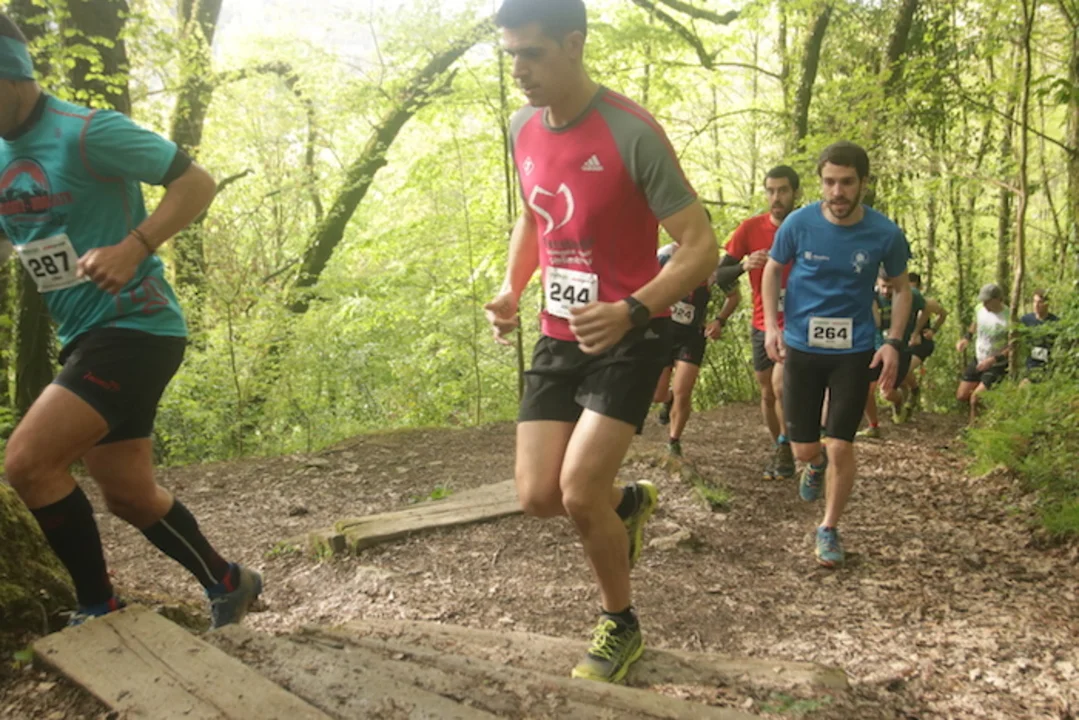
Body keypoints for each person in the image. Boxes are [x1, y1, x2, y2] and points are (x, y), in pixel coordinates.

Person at [0, 14, 261, 627]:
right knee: (128, 494)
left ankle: (101, 608)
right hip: (85, 335)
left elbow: (196, 182)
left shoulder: (86, 131)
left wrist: (133, 246)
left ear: (10, 76)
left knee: (28, 463)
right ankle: (229, 581)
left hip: (136, 327)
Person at [485, 0, 718, 683]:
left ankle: (621, 623)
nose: (519, 70)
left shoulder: (630, 132)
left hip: (631, 331)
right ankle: (629, 504)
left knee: (579, 490)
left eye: (532, 53)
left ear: (574, 44)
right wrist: (512, 287)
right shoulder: (521, 127)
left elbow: (700, 246)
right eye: (511, 56)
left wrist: (633, 309)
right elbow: (534, 216)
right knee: (537, 495)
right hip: (559, 332)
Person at [761, 141, 911, 568]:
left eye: (846, 182)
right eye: (829, 182)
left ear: (863, 182)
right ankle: (812, 465)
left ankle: (828, 528)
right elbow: (773, 269)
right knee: (805, 450)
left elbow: (901, 289)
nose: (837, 192)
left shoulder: (885, 233)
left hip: (854, 350)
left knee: (841, 445)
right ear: (820, 183)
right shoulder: (798, 223)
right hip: (802, 349)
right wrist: (772, 326)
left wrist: (893, 342)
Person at [720, 166, 799, 479]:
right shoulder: (750, 229)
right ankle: (781, 446)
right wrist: (743, 265)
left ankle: (787, 444)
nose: (776, 197)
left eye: (783, 190)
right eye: (771, 191)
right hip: (762, 321)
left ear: (795, 193)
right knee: (767, 392)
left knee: (781, 387)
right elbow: (719, 274)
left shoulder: (807, 227)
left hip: (796, 322)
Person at [651, 238, 738, 457]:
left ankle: (674, 441)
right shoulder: (665, 255)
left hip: (692, 336)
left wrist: (719, 321)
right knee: (657, 394)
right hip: (664, 331)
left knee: (683, 390)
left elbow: (733, 296)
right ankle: (667, 400)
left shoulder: (711, 264)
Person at [956, 283, 1011, 422]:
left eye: (988, 301)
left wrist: (993, 360)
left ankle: (974, 429)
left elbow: (1012, 346)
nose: (984, 304)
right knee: (962, 395)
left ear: (998, 299)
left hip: (996, 364)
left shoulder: (1009, 316)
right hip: (979, 358)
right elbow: (975, 324)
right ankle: (989, 410)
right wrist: (966, 338)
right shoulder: (979, 308)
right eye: (983, 301)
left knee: (975, 398)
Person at [903, 272, 947, 413]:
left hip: (921, 343)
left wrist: (933, 330)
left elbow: (943, 314)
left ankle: (915, 391)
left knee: (905, 369)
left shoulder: (927, 302)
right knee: (899, 375)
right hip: (905, 342)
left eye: (914, 288)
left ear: (919, 288)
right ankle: (904, 406)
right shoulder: (899, 301)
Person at [1019, 289, 1058, 379]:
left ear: (1046, 304)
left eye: (1040, 302)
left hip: (1048, 364)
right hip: (1029, 363)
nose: (1036, 305)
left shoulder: (1055, 322)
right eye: (1034, 301)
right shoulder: (1025, 320)